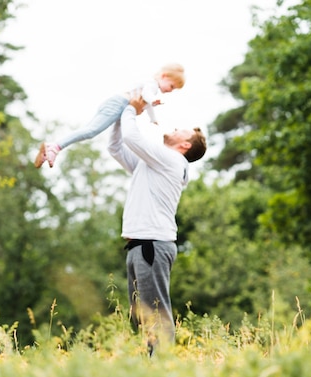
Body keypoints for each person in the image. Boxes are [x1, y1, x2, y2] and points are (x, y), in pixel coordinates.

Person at [108, 94, 206, 354]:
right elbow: (117, 147)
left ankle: (162, 368)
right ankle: (149, 368)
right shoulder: (154, 164)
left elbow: (132, 138)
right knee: (141, 316)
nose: (171, 130)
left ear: (185, 144)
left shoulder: (172, 160)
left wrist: (132, 108)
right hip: (140, 246)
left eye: (178, 130)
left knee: (155, 313)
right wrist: (120, 116)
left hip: (151, 245)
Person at [34, 63, 185, 168]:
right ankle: (55, 146)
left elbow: (148, 103)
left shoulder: (152, 87)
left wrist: (153, 119)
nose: (171, 90)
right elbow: (146, 95)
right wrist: (153, 100)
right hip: (118, 105)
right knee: (91, 131)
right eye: (172, 86)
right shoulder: (151, 85)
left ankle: (47, 154)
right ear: (164, 76)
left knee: (93, 133)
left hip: (118, 105)